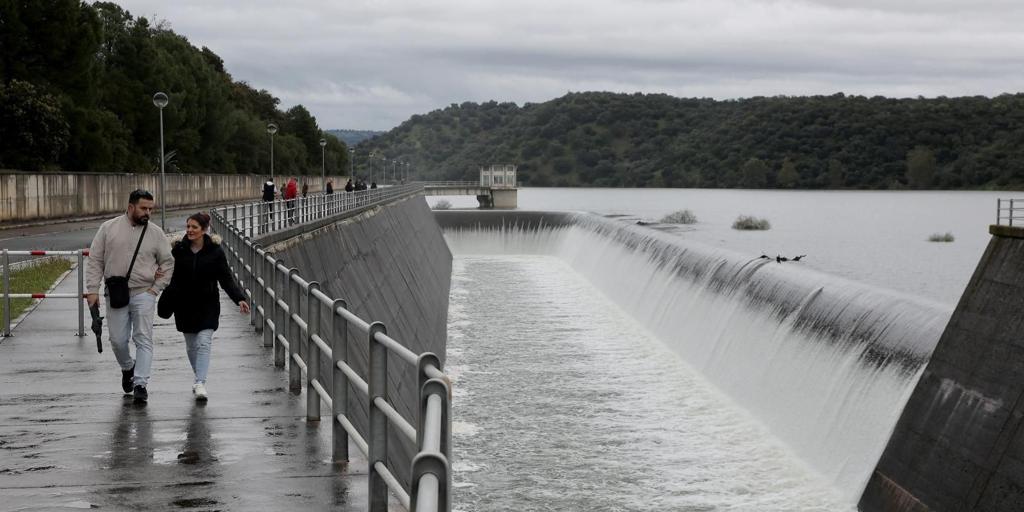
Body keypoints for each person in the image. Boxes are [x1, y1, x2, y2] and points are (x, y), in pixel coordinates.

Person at [86, 189, 174, 403]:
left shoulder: (155, 233)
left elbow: (168, 262)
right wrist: (92, 290)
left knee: (143, 337)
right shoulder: (108, 229)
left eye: (151, 209)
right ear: (131, 207)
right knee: (117, 340)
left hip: (145, 292)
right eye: (144, 208)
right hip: (115, 292)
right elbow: (96, 260)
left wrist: (156, 288)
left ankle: (141, 383)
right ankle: (128, 367)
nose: (148, 213)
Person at [164, 212, 249, 401]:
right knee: (191, 346)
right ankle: (198, 378)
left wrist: (239, 298)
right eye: (188, 227)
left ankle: (200, 382)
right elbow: (167, 274)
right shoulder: (178, 250)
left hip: (208, 304)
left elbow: (226, 278)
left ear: (204, 230)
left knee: (203, 342)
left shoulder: (215, 251)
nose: (189, 230)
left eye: (194, 227)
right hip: (184, 305)